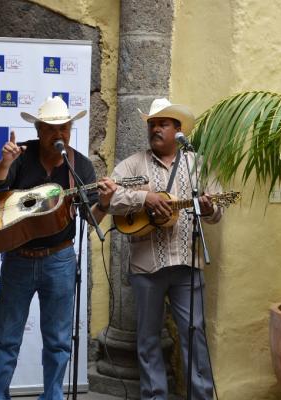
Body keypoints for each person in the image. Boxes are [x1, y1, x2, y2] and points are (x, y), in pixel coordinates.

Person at [0, 96, 117, 400]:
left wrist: (105, 204)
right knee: (6, 337)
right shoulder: (22, 154)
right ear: (40, 129)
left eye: (65, 128)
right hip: (18, 258)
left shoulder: (78, 165)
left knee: (57, 340)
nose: (59, 134)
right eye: (53, 128)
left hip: (60, 259)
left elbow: (90, 217)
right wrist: (5, 162)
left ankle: (53, 396)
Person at [107, 98, 222, 399]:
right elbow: (109, 198)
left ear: (178, 130)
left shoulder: (198, 164)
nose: (155, 129)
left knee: (194, 335)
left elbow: (218, 209)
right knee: (147, 339)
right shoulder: (133, 164)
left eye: (162, 124)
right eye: (152, 124)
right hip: (148, 267)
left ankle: (200, 396)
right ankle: (154, 396)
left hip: (187, 263)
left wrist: (209, 209)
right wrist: (143, 199)